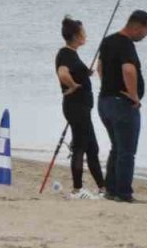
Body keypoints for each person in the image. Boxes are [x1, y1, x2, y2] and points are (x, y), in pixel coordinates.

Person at [98, 9, 147, 203]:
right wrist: (134, 96)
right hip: (122, 104)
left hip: (105, 101)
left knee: (117, 147)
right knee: (127, 151)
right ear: (137, 27)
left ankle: (111, 190)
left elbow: (100, 67)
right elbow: (128, 70)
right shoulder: (125, 44)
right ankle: (123, 193)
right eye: (146, 31)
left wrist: (108, 85)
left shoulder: (108, 41)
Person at [56, 16, 104, 199]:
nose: (85, 36)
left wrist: (85, 74)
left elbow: (73, 70)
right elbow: (63, 73)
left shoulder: (71, 54)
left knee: (92, 147)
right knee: (81, 146)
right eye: (83, 33)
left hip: (82, 108)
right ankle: (77, 189)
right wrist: (73, 85)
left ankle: (102, 187)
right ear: (76, 36)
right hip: (76, 108)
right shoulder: (65, 54)